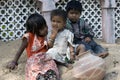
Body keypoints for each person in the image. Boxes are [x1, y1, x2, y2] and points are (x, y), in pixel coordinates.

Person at [6, 13, 59, 80]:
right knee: (35, 71)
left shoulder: (44, 36)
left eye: (45, 25)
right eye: (42, 28)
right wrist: (14, 61)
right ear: (34, 30)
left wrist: (52, 38)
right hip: (34, 60)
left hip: (45, 58)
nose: (46, 29)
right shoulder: (29, 37)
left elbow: (48, 48)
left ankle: (51, 76)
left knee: (51, 67)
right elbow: (20, 50)